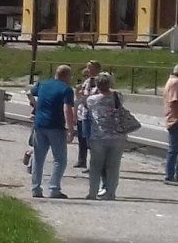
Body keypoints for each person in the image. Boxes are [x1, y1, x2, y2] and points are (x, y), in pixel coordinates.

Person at [29, 64, 78, 199]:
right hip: (56, 126)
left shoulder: (43, 84)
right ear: (67, 76)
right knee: (59, 159)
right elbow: (67, 109)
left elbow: (30, 92)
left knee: (38, 158)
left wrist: (34, 105)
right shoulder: (66, 89)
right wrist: (71, 129)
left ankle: (35, 188)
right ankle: (54, 188)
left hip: (39, 124)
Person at [82, 73, 127, 200]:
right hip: (117, 136)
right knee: (113, 166)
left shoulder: (92, 100)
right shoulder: (118, 96)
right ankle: (110, 193)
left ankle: (92, 192)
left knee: (96, 166)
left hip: (98, 137)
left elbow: (85, 107)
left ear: (97, 85)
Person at [75, 60, 103, 169]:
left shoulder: (101, 81)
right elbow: (80, 97)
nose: (89, 70)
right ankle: (81, 160)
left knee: (92, 140)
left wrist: (87, 96)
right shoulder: (87, 81)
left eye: (91, 68)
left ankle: (93, 164)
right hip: (83, 112)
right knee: (82, 138)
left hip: (94, 114)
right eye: (88, 67)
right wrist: (79, 93)